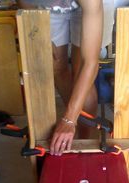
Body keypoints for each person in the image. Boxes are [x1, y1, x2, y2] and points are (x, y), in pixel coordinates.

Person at [18, 0, 114, 155]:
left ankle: (84, 141)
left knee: (81, 72)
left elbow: (89, 63)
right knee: (55, 66)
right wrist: (42, 35)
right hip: (43, 7)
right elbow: (25, 3)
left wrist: (68, 119)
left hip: (89, 7)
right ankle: (74, 127)